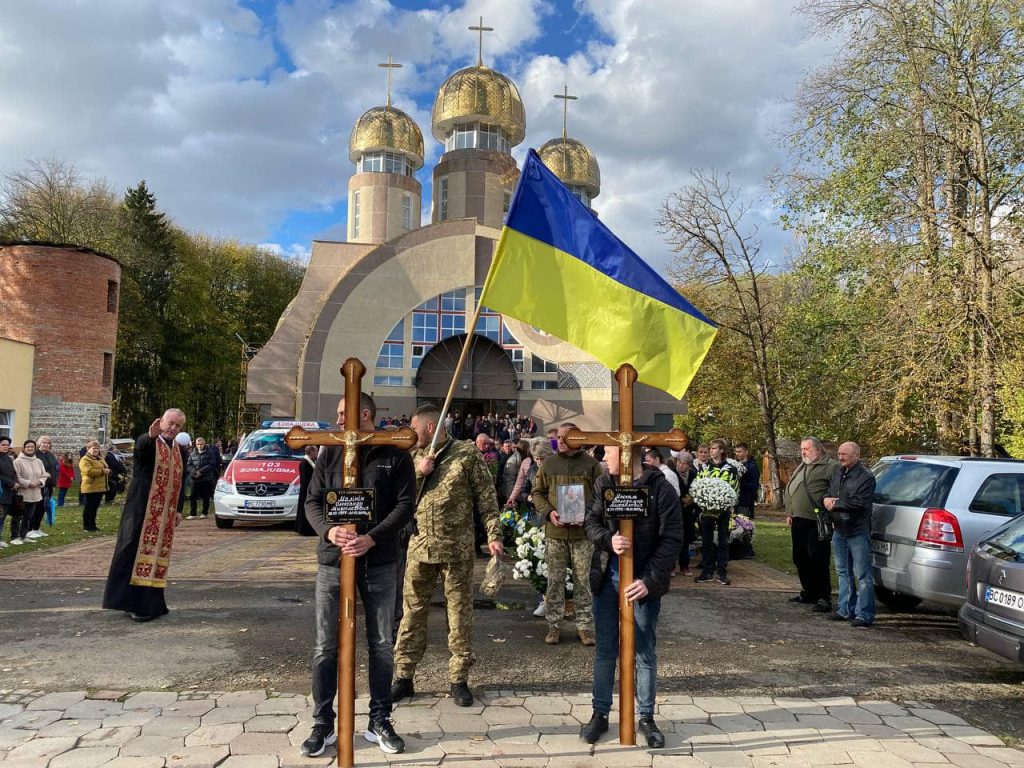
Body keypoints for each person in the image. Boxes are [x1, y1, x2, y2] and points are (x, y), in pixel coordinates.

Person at [299, 393, 416, 758]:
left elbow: (405, 504)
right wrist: (328, 531)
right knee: (325, 646)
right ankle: (322, 723)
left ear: (363, 414)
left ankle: (379, 720)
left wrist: (372, 537)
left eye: (341, 413)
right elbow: (313, 500)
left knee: (381, 644)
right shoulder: (331, 450)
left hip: (378, 561)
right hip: (333, 562)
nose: (336, 421)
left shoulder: (394, 450)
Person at [391, 404, 503, 708]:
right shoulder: (411, 456)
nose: (412, 434)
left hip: (457, 549)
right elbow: (396, 496)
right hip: (419, 547)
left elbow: (486, 496)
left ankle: (458, 678)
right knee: (412, 613)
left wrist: (494, 535)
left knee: (459, 614)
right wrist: (419, 472)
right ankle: (404, 676)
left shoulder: (466, 453)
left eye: (415, 428)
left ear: (430, 427)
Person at [581, 447, 683, 748]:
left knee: (644, 651)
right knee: (605, 650)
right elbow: (591, 522)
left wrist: (649, 580)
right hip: (607, 578)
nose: (604, 458)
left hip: (641, 582)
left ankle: (646, 717)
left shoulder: (660, 488)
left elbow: (672, 538)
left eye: (609, 452)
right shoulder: (604, 483)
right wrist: (608, 539)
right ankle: (600, 714)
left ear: (627, 453)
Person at [102, 409, 188, 622]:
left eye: (177, 426)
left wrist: (178, 509)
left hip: (165, 514)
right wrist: (149, 436)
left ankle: (152, 603)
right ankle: (132, 603)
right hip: (141, 508)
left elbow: (181, 481)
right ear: (161, 422)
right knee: (133, 550)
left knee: (157, 557)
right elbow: (140, 450)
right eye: (170, 423)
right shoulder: (150, 443)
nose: (173, 428)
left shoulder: (179, 450)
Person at [532, 423, 603, 646]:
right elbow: (537, 493)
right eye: (558, 437)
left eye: (566, 437)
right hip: (556, 533)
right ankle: (554, 625)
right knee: (555, 581)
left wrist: (589, 516)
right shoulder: (549, 464)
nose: (560, 441)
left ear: (578, 439)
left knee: (583, 581)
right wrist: (549, 512)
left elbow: (601, 496)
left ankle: (584, 626)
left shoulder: (591, 465)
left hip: (583, 535)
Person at [824, 442, 877, 628]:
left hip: (857, 531)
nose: (840, 457)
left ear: (856, 455)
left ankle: (864, 614)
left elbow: (860, 503)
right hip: (839, 529)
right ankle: (845, 609)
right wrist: (825, 499)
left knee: (862, 574)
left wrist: (835, 504)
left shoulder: (866, 477)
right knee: (843, 571)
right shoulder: (838, 473)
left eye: (844, 454)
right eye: (839, 454)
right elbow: (829, 492)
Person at [783, 437, 838, 613]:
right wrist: (790, 511)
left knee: (818, 559)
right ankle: (809, 592)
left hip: (816, 520)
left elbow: (835, 491)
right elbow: (792, 488)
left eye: (806, 449)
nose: (803, 452)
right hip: (798, 519)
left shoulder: (831, 466)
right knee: (800, 558)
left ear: (818, 450)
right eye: (802, 449)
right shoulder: (804, 465)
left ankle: (824, 597)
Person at [695, 438, 739, 585]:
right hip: (707, 510)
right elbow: (699, 486)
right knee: (706, 541)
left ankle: (722, 572)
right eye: (710, 449)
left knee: (723, 540)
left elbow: (734, 488)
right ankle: (707, 571)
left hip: (723, 509)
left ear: (721, 450)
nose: (711, 451)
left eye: (714, 448)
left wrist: (726, 502)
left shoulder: (730, 469)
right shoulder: (704, 468)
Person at [14, 440, 49, 545]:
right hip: (22, 494)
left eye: (32, 447)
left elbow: (44, 474)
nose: (30, 448)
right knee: (18, 517)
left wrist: (40, 482)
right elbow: (17, 477)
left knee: (28, 517)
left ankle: (24, 535)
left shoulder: (38, 461)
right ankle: (15, 537)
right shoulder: (18, 461)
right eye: (28, 447)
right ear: (24, 448)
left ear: (35, 448)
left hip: (35, 494)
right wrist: (28, 483)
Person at [30, 436, 59, 537]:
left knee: (44, 507)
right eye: (44, 442)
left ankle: (37, 528)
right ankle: (31, 529)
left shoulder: (51, 455)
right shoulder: (35, 455)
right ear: (39, 443)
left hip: (49, 485)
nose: (46, 445)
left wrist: (54, 481)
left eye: (48, 443)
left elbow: (55, 469)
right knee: (36, 507)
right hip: (39, 485)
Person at [79, 441, 109, 532]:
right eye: (93, 448)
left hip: (100, 487)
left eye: (97, 448)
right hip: (90, 487)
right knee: (89, 507)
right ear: (88, 449)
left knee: (94, 508)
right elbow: (89, 471)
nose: (96, 450)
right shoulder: (85, 460)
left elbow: (106, 467)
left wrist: (108, 471)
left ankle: (93, 525)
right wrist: (103, 471)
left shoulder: (100, 458)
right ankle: (86, 526)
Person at [186, 437, 219, 518]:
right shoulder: (193, 453)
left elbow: (212, 464)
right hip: (195, 478)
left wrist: (201, 471)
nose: (199, 446)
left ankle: (204, 513)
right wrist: (194, 472)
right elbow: (189, 465)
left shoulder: (210, 453)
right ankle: (193, 513)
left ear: (204, 444)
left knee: (206, 496)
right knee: (193, 496)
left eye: (201, 444)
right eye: (198, 444)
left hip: (206, 478)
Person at [295, 445, 318, 536]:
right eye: (315, 451)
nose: (316, 453)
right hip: (306, 490)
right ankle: (304, 529)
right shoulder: (304, 463)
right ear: (311, 452)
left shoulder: (311, 461)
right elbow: (305, 479)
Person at [0, 437, 15, 548]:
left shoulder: (8, 458)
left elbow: (13, 473)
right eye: (3, 444)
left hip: (7, 493)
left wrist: (15, 482)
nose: (6, 446)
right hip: (1, 491)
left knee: (2, 517)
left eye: (7, 445)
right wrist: (11, 483)